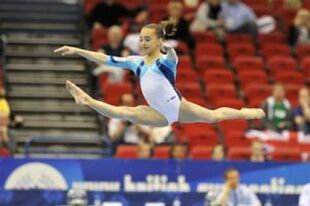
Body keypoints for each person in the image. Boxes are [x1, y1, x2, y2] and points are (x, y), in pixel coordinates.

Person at [54, 20, 265, 127]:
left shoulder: (164, 62)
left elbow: (173, 58)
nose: (143, 43)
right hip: (157, 113)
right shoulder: (135, 62)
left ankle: (244, 112)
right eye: (141, 39)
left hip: (177, 107)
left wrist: (169, 50)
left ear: (158, 41)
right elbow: (104, 58)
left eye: (147, 39)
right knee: (125, 112)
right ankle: (86, 99)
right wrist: (77, 51)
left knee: (213, 116)